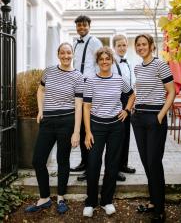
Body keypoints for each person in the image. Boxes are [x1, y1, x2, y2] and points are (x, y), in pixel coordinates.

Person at [25, 42, 84, 214]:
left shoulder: (78, 77)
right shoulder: (49, 71)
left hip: (67, 122)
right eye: (63, 53)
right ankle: (44, 198)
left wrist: (76, 132)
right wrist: (40, 111)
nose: (66, 56)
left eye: (69, 53)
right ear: (58, 54)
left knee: (62, 160)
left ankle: (60, 197)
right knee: (37, 160)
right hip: (48, 122)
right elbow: (41, 90)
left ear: (72, 55)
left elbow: (79, 105)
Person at [83, 46, 135, 218]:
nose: (104, 62)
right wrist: (88, 132)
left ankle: (107, 201)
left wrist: (126, 110)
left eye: (107, 59)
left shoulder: (119, 80)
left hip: (116, 127)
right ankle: (90, 202)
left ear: (112, 61)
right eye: (101, 59)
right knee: (93, 164)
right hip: (96, 127)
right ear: (97, 62)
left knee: (112, 164)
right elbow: (86, 106)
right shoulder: (90, 80)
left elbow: (132, 94)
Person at [131, 34, 175, 223]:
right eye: (138, 45)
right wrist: (132, 108)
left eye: (144, 44)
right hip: (138, 118)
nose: (141, 47)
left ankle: (160, 208)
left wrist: (160, 115)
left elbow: (172, 91)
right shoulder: (137, 67)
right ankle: (153, 202)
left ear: (151, 46)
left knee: (154, 162)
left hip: (154, 118)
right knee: (146, 162)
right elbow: (138, 91)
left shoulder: (160, 65)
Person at [70, 15, 102, 182]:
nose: (81, 28)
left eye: (84, 25)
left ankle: (91, 167)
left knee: (89, 126)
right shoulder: (75, 43)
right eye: (79, 25)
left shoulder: (95, 42)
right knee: (81, 126)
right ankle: (83, 162)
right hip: (77, 85)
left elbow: (99, 64)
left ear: (89, 26)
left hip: (89, 86)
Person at [112, 34, 136, 182]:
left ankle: (123, 165)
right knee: (117, 136)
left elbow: (131, 83)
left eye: (124, 45)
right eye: (119, 45)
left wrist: (132, 102)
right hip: (116, 100)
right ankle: (114, 169)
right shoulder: (112, 63)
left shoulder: (128, 63)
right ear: (114, 47)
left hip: (128, 99)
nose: (122, 48)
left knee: (126, 134)